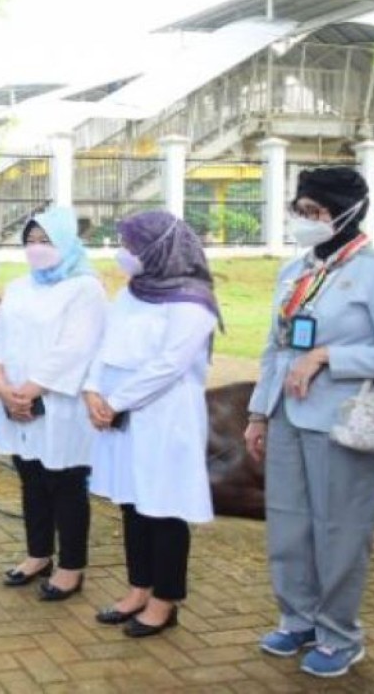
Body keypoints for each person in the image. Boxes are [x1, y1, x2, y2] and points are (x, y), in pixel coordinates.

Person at [244, 167, 374, 678]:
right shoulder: (295, 271)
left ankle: (340, 634)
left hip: (347, 421)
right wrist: (259, 412)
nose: (305, 221)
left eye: (315, 213)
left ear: (347, 213)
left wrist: (328, 356)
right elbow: (274, 348)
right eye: (300, 212)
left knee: (340, 530)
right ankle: (297, 618)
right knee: (288, 525)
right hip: (287, 415)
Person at [85, 209, 221, 638]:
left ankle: (166, 600)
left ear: (159, 247)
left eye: (132, 246)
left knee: (164, 508)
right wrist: (92, 390)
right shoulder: (135, 291)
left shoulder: (192, 299)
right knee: (132, 503)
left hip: (165, 416)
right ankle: (138, 588)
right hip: (119, 413)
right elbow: (104, 340)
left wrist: (115, 401)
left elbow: (170, 365)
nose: (125, 254)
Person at [0, 207, 107, 601]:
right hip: (16, 400)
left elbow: (76, 347)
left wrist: (30, 391)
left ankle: (72, 566)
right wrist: (2, 385)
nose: (36, 249)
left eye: (46, 241)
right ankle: (39, 554)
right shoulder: (21, 286)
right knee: (31, 478)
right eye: (30, 241)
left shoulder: (85, 287)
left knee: (66, 484)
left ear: (68, 243)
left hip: (59, 406)